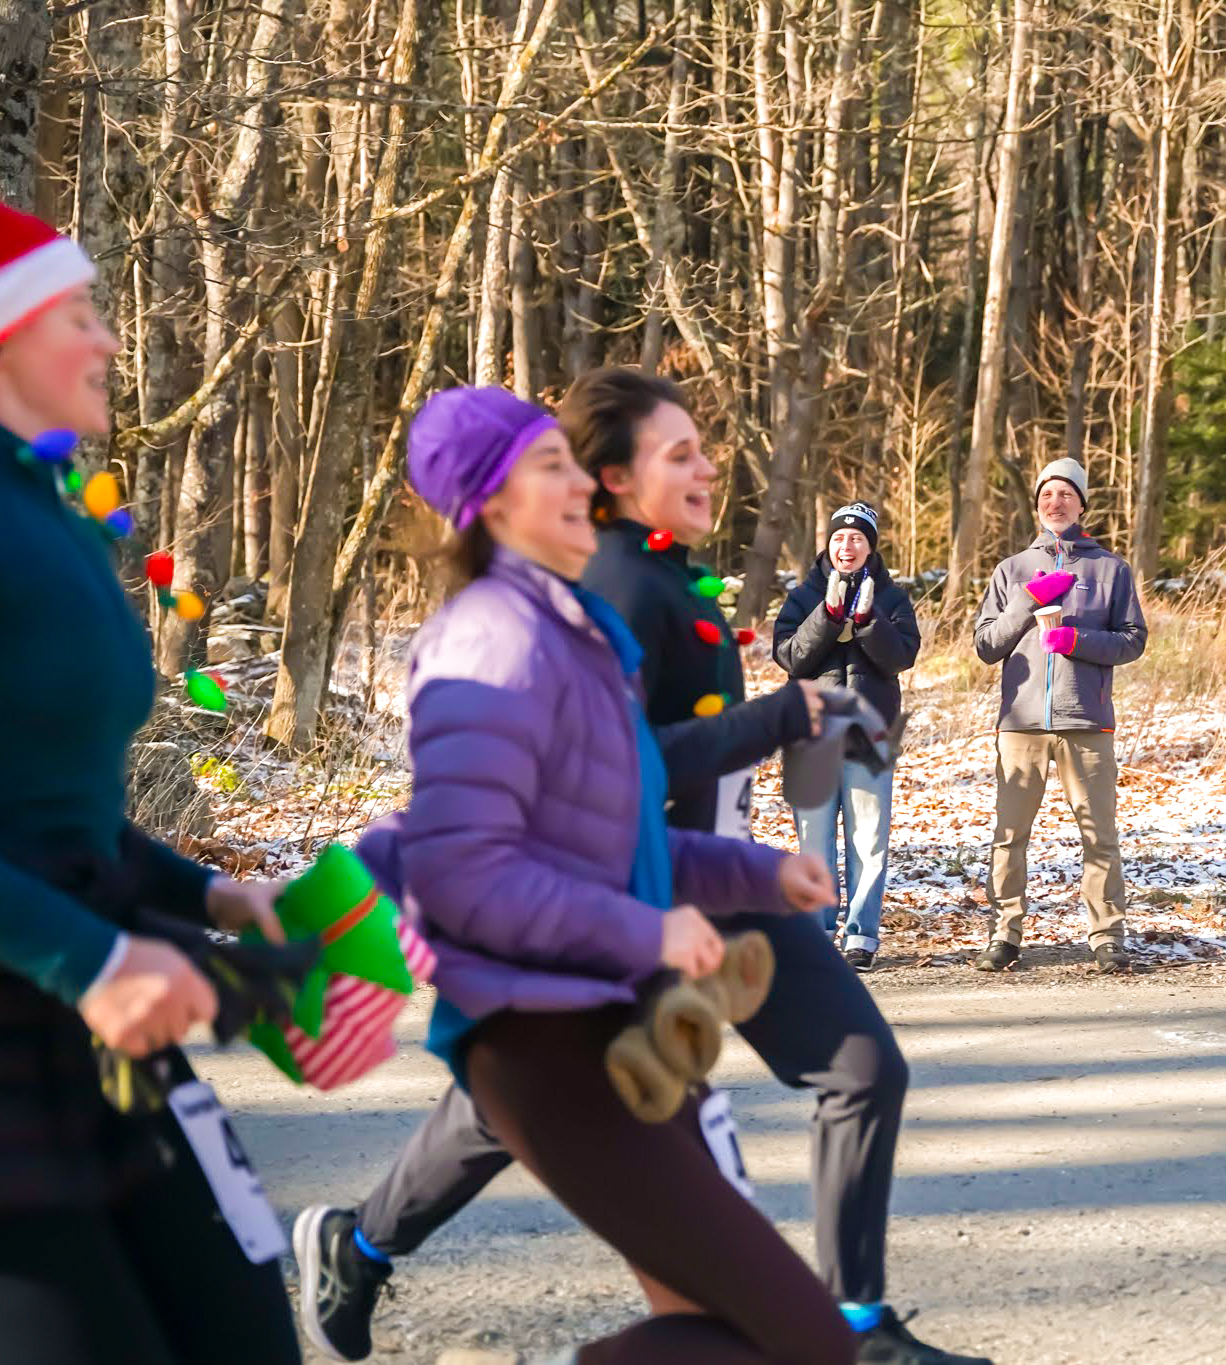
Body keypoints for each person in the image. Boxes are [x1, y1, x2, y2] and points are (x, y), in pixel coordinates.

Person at [296, 371, 988, 1365]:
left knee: (839, 1086)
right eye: (679, 454)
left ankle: (852, 1323)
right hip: (623, 920)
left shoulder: (637, 590)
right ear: (613, 479)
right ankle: (362, 1245)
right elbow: (600, 787)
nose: (708, 465)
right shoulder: (586, 599)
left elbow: (617, 786)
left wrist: (760, 863)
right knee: (553, 1136)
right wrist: (773, 722)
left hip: (688, 885)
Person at [0, 142, 302, 1361]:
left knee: (250, 1336)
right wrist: (86, 959)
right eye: (80, 314)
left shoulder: (51, 518)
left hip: (105, 1025)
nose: (109, 342)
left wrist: (208, 890)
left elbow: (41, 803)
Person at [971, 456, 1148, 974]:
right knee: (1009, 835)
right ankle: (1004, 934)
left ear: (1082, 503)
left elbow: (1132, 640)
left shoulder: (1109, 569)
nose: (1056, 502)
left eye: (1066, 493)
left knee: (1099, 834)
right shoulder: (1011, 570)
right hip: (1021, 725)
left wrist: (1076, 641)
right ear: (1037, 504)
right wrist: (1027, 606)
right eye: (1047, 494)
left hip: (1085, 722)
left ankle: (1107, 934)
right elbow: (985, 645)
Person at [774, 502, 923, 970]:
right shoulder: (802, 597)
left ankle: (861, 936)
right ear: (828, 544)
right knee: (813, 840)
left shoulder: (893, 599)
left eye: (858, 538)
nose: (847, 546)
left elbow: (902, 657)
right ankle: (819, 930)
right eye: (840, 538)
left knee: (868, 841)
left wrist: (867, 621)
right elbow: (791, 657)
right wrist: (830, 614)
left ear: (870, 546)